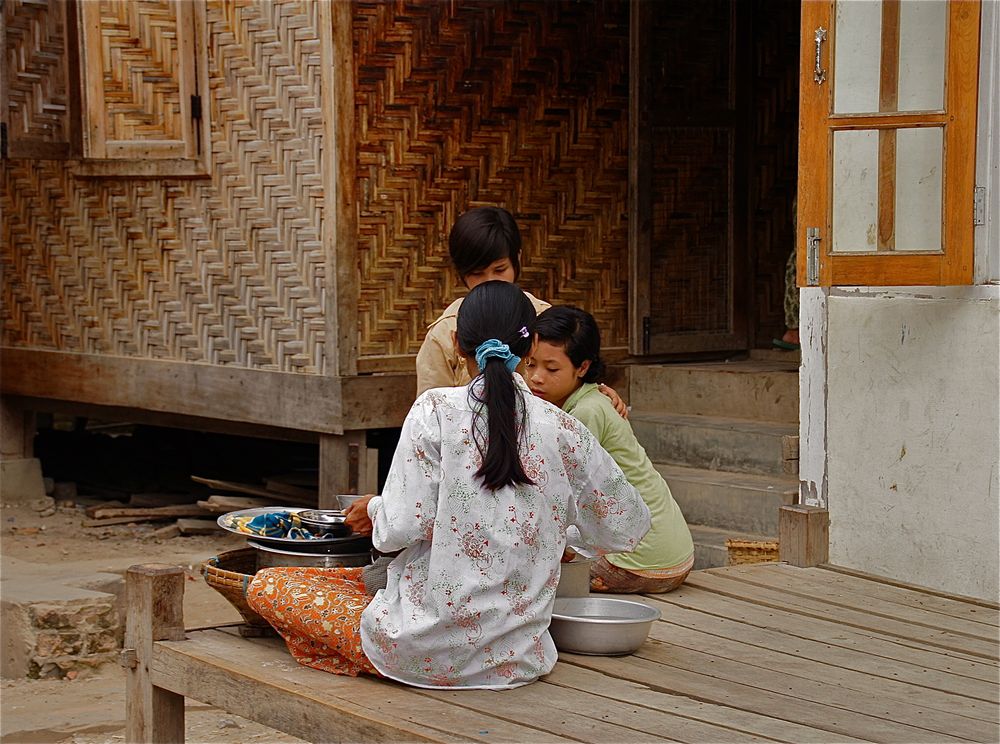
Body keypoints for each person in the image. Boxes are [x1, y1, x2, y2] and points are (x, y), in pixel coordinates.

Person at [248, 281, 650, 689]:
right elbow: (627, 526)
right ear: (530, 350)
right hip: (519, 661)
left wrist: (373, 510)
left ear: (458, 344)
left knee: (270, 585)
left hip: (420, 651)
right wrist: (556, 531)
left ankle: (371, 659)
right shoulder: (565, 429)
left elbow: (394, 533)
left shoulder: (434, 411)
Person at [526, 305, 695, 594]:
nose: (537, 377)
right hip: (672, 555)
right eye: (530, 364)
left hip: (639, 563)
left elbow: (555, 494)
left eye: (551, 368)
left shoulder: (586, 412)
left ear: (583, 367)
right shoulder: (590, 400)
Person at [415, 206, 628, 416]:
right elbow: (429, 414)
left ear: (517, 258)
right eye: (477, 273)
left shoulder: (546, 319)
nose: (490, 281)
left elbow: (577, 390)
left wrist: (598, 396)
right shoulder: (445, 332)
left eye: (500, 269)